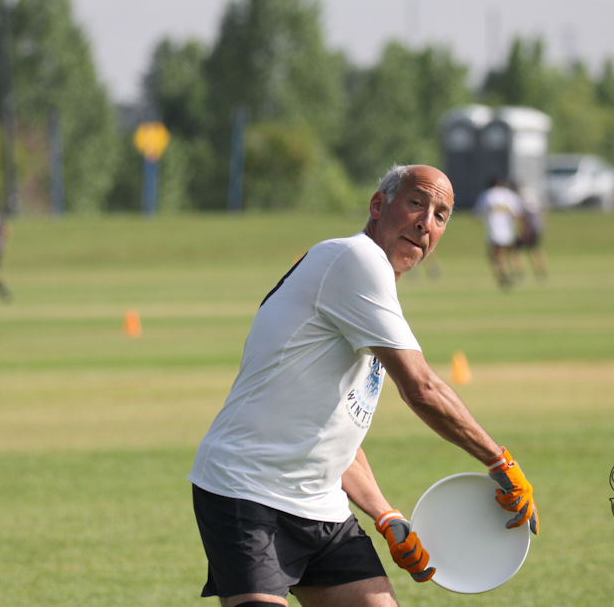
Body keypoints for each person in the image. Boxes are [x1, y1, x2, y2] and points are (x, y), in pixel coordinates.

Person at [188, 164, 539, 607]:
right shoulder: (356, 259)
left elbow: (336, 429)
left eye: (440, 215)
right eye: (416, 203)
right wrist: (498, 460)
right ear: (378, 205)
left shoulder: (368, 286)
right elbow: (422, 389)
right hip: (247, 490)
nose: (425, 222)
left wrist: (384, 514)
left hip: (320, 506)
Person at [473, 178, 526, 289]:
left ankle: (503, 277)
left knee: (496, 255)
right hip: (509, 230)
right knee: (512, 252)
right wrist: (520, 229)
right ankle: (518, 272)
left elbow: (477, 214)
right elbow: (518, 213)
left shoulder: (486, 195)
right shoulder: (509, 194)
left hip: (494, 230)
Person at [513, 185, 548, 281]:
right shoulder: (534, 201)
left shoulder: (522, 202)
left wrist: (523, 231)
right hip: (537, 228)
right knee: (535, 250)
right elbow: (542, 212)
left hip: (528, 229)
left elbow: (522, 216)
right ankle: (541, 272)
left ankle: (520, 273)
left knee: (516, 251)